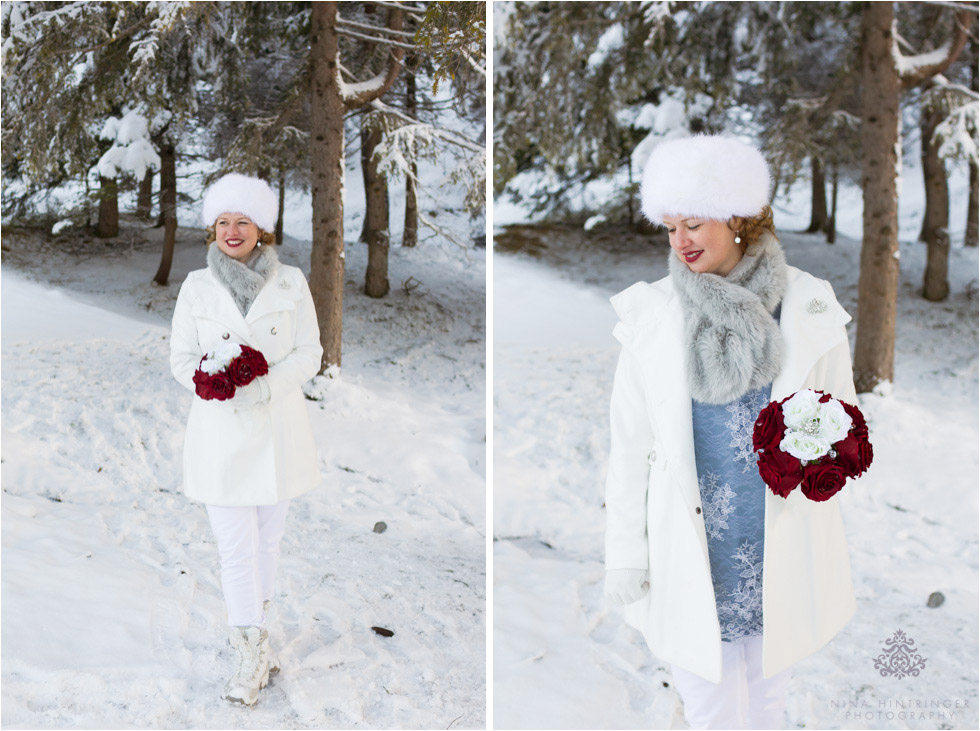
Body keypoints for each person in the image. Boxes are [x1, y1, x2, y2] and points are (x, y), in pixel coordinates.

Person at [603, 135, 859, 730]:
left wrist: (817, 456)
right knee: (713, 711)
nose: (680, 241)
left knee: (767, 708)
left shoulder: (808, 306)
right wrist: (624, 553)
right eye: (670, 227)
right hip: (691, 553)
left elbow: (841, 424)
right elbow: (630, 447)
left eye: (694, 223)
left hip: (779, 549)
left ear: (740, 219)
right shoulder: (655, 317)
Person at [169, 173, 323, 706]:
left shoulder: (292, 284)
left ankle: (257, 638)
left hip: (278, 432)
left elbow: (309, 354)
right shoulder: (196, 286)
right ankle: (249, 651)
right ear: (213, 230)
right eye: (223, 222)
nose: (233, 231)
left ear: (262, 229)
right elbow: (181, 358)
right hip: (219, 436)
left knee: (268, 544)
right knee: (236, 549)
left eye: (244, 221)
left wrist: (262, 388)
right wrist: (213, 384)